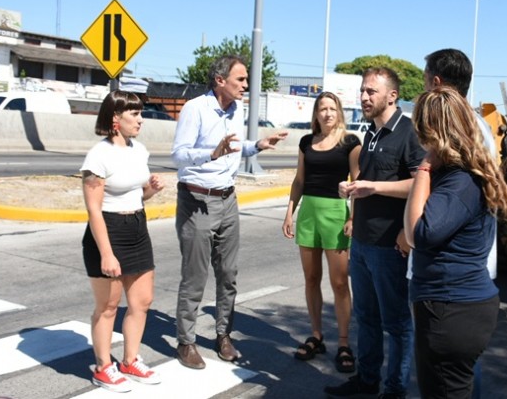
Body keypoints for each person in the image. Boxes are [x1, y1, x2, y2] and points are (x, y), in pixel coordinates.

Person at [171, 55, 288, 370]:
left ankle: (223, 335)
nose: (246, 85)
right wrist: (211, 153)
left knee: (228, 274)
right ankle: (186, 342)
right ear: (220, 80)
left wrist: (257, 145)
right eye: (241, 79)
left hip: (228, 199)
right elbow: (178, 155)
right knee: (195, 276)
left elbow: (235, 147)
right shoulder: (195, 108)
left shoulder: (236, 109)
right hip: (197, 199)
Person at [404, 86, 507, 399]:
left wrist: (424, 167)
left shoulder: (460, 180)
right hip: (453, 307)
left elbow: (417, 234)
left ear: (431, 131)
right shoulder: (458, 174)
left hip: (452, 310)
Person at [325, 67, 426, 399]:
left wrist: (375, 187)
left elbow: (421, 184)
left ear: (392, 96)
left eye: (371, 91)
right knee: (366, 317)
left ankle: (394, 390)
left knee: (396, 324)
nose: (364, 97)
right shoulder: (369, 132)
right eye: (363, 91)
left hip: (390, 247)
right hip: (362, 242)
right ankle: (367, 380)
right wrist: (353, 190)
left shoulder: (409, 133)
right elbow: (369, 182)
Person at [422, 48, 498, 399]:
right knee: (457, 376)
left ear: (437, 83)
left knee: (452, 378)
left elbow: (427, 230)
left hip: (453, 289)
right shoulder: (476, 128)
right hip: (459, 281)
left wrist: (422, 169)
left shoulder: (460, 159)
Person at [81, 90, 166, 392]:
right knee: (108, 306)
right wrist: (106, 253)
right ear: (116, 118)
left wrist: (151, 190)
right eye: (135, 114)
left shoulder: (139, 150)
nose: (141, 120)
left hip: (137, 228)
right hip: (108, 231)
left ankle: (130, 360)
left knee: (142, 301)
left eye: (141, 113)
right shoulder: (98, 155)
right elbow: (94, 209)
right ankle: (103, 367)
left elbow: (136, 194)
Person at [282, 91, 361, 373]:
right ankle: (316, 335)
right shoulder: (306, 142)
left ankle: (344, 343)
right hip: (309, 215)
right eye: (322, 109)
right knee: (311, 278)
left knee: (339, 283)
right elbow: (299, 180)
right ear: (316, 113)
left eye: (332, 108)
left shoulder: (350, 142)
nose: (327, 113)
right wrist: (290, 212)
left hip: (336, 215)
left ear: (339, 112)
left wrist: (353, 216)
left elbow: (357, 182)